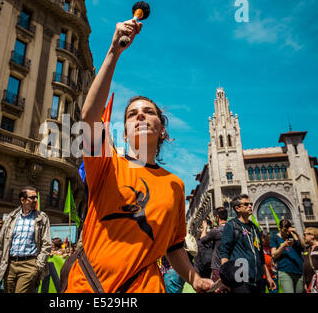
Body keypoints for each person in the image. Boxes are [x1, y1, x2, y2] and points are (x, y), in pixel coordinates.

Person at [61, 19, 213, 293]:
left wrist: (195, 278)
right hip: (86, 288)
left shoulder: (175, 186)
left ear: (162, 129)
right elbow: (89, 117)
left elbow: (174, 246)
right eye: (132, 114)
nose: (140, 115)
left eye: (149, 112)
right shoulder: (106, 164)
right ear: (126, 130)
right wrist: (113, 51)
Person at [0, 187, 52, 293]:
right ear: (22, 200)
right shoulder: (10, 218)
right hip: (9, 265)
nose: (35, 200)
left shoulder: (42, 218)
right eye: (32, 197)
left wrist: (38, 266)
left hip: (30, 265)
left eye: (36, 197)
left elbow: (47, 244)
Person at [220, 194, 276, 293]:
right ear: (237, 208)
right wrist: (226, 279)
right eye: (246, 204)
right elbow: (224, 252)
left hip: (258, 280)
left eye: (250, 204)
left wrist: (268, 277)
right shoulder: (231, 225)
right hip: (240, 281)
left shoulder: (255, 228)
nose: (250, 206)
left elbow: (260, 255)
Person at [270, 219, 306, 293]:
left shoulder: (292, 236)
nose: (287, 232)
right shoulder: (275, 238)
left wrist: (297, 234)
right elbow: (274, 255)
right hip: (285, 271)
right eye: (285, 230)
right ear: (279, 228)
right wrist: (283, 245)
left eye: (288, 230)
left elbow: (303, 247)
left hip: (299, 270)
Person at [200, 207, 228, 282]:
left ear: (217, 217)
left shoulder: (216, 231)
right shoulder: (233, 229)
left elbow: (202, 240)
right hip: (231, 267)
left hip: (218, 267)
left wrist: (204, 228)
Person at [302, 227, 318, 292]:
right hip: (308, 281)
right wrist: (304, 282)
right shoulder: (306, 249)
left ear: (312, 235)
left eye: (304, 235)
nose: (303, 237)